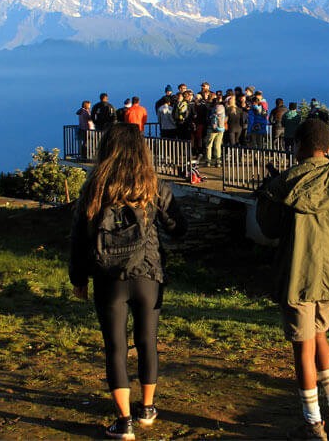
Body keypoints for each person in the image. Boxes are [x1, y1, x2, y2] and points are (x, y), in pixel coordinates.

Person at [256, 118, 329, 441]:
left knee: (303, 348)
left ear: (298, 146)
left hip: (298, 276)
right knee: (320, 335)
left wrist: (268, 196)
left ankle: (313, 424)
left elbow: (268, 230)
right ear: (328, 147)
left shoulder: (285, 182)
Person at [69, 123, 188, 440]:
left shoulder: (94, 187)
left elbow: (80, 239)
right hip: (148, 274)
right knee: (148, 342)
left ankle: (124, 422)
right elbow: (179, 228)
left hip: (109, 278)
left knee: (116, 349)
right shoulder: (153, 185)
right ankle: (147, 409)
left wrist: (78, 279)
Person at [203, 102, 226, 167]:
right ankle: (218, 161)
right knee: (218, 145)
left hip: (211, 129)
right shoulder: (223, 109)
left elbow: (207, 119)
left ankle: (208, 161)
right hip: (221, 129)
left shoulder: (211, 110)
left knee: (209, 145)